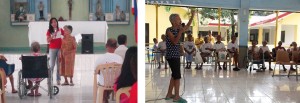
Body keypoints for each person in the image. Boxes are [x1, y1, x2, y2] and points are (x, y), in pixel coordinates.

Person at [165, 9, 195, 103]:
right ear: (173, 21)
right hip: (172, 56)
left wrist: (192, 16)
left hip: (176, 55)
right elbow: (174, 41)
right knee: (177, 76)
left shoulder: (179, 29)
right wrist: (180, 32)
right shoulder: (168, 30)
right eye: (178, 19)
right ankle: (177, 97)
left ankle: (169, 94)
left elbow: (187, 26)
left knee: (174, 75)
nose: (180, 20)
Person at [95, 38, 123, 103]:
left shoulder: (101, 58)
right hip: (115, 83)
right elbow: (120, 72)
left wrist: (102, 71)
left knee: (104, 82)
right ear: (116, 47)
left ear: (106, 46)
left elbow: (95, 71)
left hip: (103, 83)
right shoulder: (119, 58)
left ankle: (104, 97)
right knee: (111, 81)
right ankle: (105, 96)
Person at [46, 18, 64, 85]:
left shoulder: (60, 29)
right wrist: (52, 36)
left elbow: (65, 35)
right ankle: (49, 79)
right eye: (52, 22)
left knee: (59, 65)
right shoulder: (49, 31)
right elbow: (48, 41)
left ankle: (58, 79)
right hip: (52, 49)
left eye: (55, 22)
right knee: (52, 65)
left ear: (57, 23)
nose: (54, 23)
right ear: (51, 24)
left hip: (60, 48)